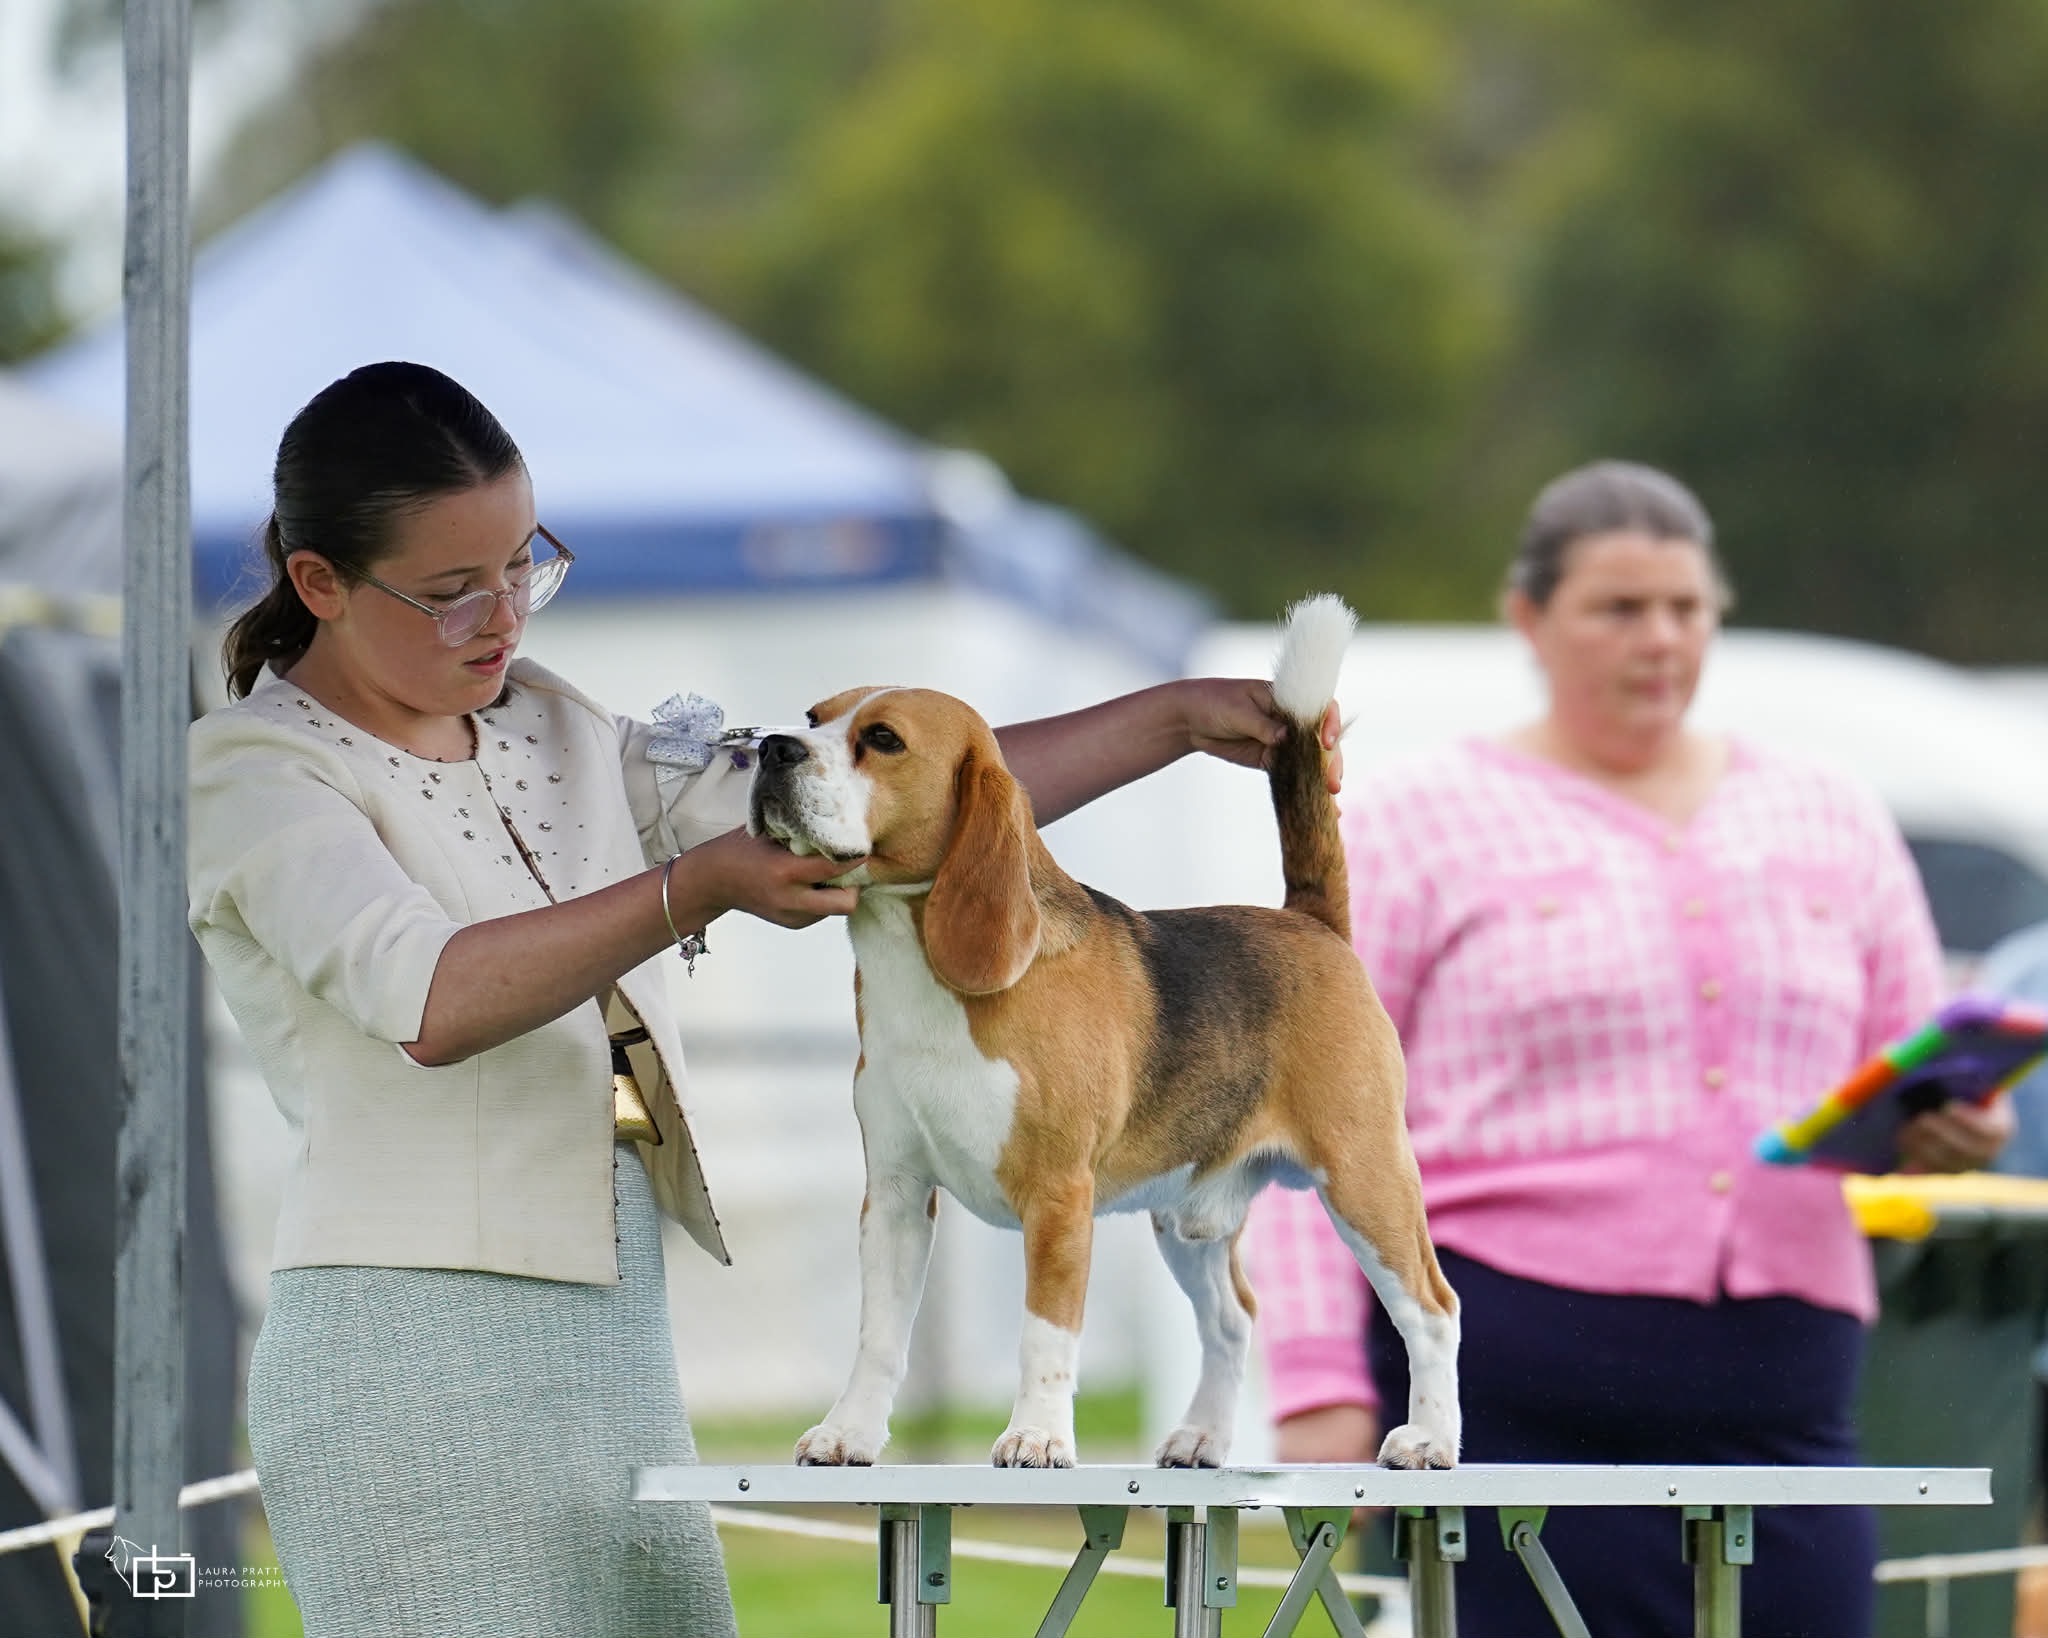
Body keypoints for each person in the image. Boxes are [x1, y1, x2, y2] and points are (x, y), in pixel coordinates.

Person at [189, 360, 1337, 1638]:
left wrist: (1170, 719)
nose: (502, 616)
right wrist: (691, 888)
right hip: (401, 1352)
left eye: (523, 565)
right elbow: (428, 998)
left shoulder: (557, 722)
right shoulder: (251, 770)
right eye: (453, 590)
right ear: (319, 583)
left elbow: (890, 802)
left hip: (614, 1329)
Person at [1242, 459, 2011, 1637]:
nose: (1658, 637)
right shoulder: (1412, 821)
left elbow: (1903, 1075)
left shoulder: (1832, 815)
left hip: (1788, 1393)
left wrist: (1954, 1128)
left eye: (1685, 607)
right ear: (1527, 618)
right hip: (1501, 1395)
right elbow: (1302, 1122)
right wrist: (1318, 1383)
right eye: (1617, 607)